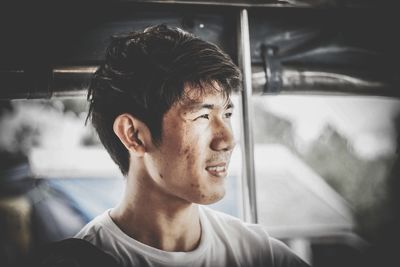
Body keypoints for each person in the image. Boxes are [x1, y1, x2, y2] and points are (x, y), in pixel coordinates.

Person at [75, 24, 309, 267]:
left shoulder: (258, 255)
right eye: (202, 117)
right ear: (133, 135)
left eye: (227, 114)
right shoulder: (81, 260)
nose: (228, 140)